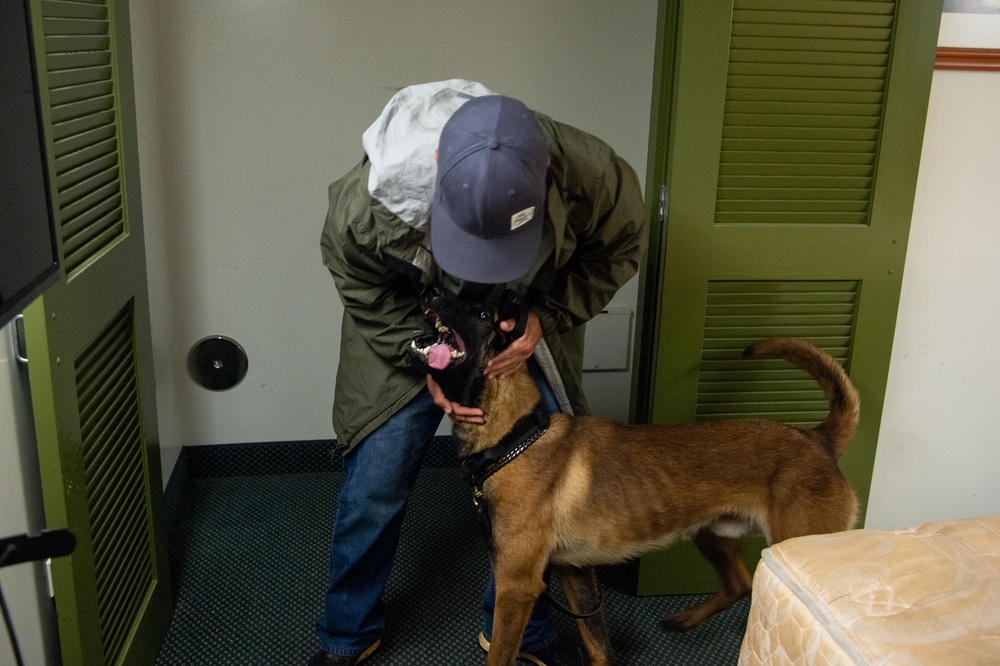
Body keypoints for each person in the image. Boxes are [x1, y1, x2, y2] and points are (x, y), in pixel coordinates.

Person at [313, 79, 646, 666]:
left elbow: (618, 250)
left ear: (544, 167)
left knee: (542, 479)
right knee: (378, 480)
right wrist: (424, 354)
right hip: (409, 322)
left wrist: (549, 314)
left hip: (522, 322)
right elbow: (361, 281)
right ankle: (348, 632)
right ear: (437, 165)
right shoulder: (369, 201)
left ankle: (520, 632)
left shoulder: (595, 177)